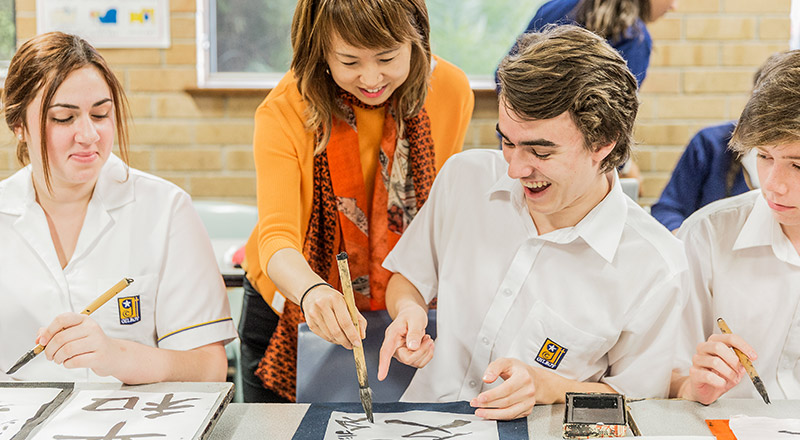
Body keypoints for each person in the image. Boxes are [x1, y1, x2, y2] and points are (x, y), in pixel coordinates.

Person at [377, 25, 688, 420]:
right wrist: (409, 311)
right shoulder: (464, 178)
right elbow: (408, 277)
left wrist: (549, 388)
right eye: (506, 141)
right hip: (421, 421)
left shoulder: (656, 265)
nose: (515, 168)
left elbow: (637, 404)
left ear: (603, 142)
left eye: (540, 151)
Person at [238, 0, 474, 402]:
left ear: (416, 39)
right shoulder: (285, 110)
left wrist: (411, 304)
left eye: (387, 57)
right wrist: (312, 292)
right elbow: (276, 237)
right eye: (349, 62)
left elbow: (434, 218)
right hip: (293, 306)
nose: (371, 77)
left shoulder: (449, 92)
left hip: (404, 305)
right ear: (320, 52)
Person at [0, 32, 237, 383]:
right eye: (64, 118)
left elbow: (209, 368)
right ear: (18, 125)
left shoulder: (164, 209)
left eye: (101, 114)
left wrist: (116, 357)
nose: (89, 135)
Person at [670, 50, 800, 404]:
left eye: (797, 165)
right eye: (764, 156)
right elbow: (668, 371)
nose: (773, 184)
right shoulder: (707, 235)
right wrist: (690, 385)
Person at [510, 0, 678, 87]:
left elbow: (503, 77)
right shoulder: (634, 39)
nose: (674, 6)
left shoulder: (553, 8)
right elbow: (613, 119)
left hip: (517, 143)